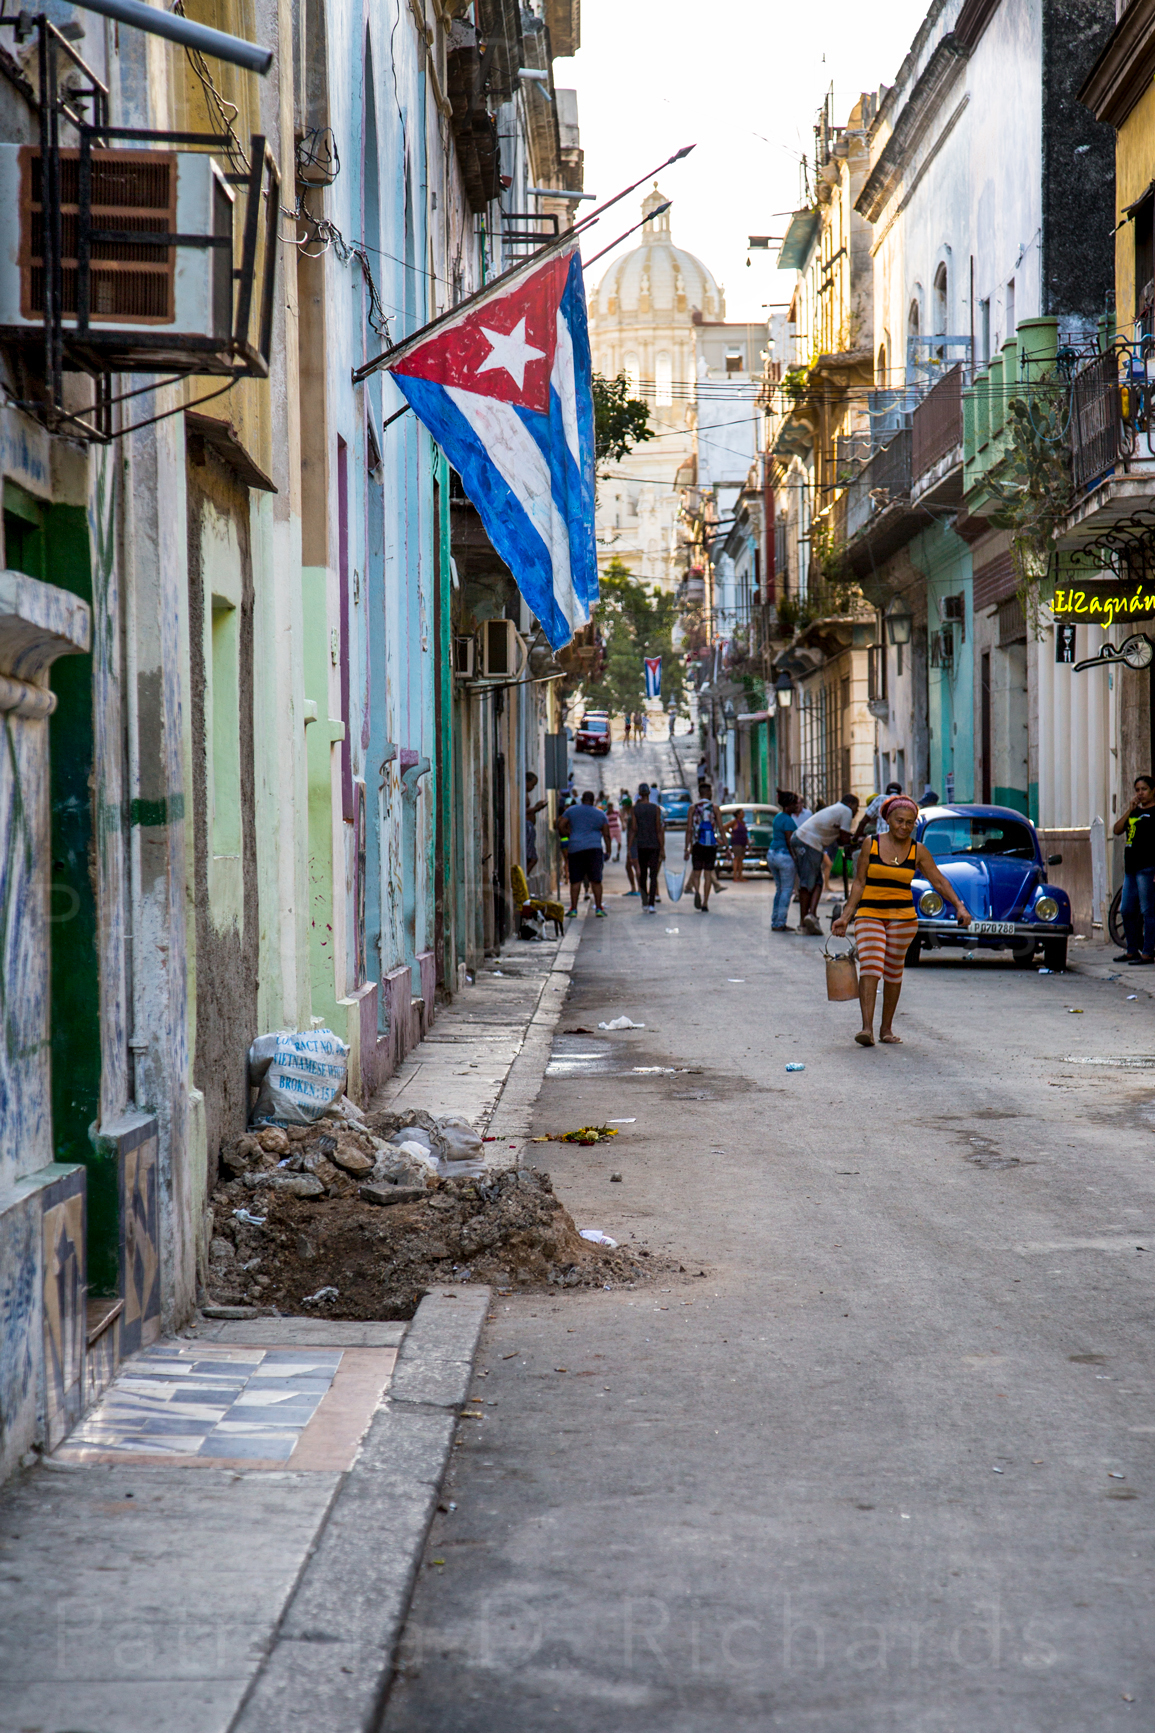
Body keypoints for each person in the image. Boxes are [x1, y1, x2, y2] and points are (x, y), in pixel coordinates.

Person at [833, 794, 972, 1046]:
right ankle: (867, 1028)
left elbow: (938, 881)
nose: (904, 827)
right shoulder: (870, 844)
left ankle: (886, 1029)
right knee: (871, 965)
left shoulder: (918, 850)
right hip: (869, 915)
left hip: (903, 919)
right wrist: (845, 916)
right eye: (899, 821)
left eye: (910, 823)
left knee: (893, 972)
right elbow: (860, 883)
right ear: (888, 820)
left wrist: (960, 907)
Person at [790, 795, 859, 934]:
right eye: (857, 807)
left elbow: (840, 838)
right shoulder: (846, 811)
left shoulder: (836, 809)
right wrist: (856, 840)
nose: (857, 811)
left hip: (803, 839)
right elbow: (844, 839)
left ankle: (810, 917)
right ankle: (805, 921)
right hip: (809, 841)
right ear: (851, 804)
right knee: (808, 882)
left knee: (816, 881)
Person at [1113, 774, 1155, 963]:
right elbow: (1117, 829)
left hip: (1147, 868)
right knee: (1127, 909)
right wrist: (1129, 810)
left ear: (1152, 791)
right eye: (1137, 790)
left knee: (1148, 911)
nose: (1140, 793)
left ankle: (1147, 952)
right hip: (1131, 869)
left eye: (1144, 789)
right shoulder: (1135, 813)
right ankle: (1131, 949)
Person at [557, 790, 610, 918]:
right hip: (594, 849)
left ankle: (574, 909)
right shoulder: (600, 814)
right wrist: (608, 850)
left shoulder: (571, 811)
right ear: (593, 801)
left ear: (582, 799)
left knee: (575, 880)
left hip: (575, 848)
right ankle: (598, 908)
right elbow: (606, 834)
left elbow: (560, 825)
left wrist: (569, 834)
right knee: (596, 880)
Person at [685, 782, 728, 912]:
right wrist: (727, 846)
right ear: (709, 793)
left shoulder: (692, 808)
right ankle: (705, 902)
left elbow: (689, 829)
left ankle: (697, 891)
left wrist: (686, 848)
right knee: (708, 874)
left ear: (699, 794)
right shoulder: (714, 808)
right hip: (711, 845)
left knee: (697, 872)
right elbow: (720, 828)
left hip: (697, 844)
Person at [628, 782, 665, 912]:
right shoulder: (656, 809)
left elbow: (634, 828)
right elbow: (658, 829)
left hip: (641, 845)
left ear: (639, 794)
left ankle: (644, 901)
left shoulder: (635, 809)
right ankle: (651, 904)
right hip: (654, 845)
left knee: (643, 874)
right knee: (653, 875)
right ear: (649, 794)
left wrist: (629, 847)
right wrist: (662, 848)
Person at [769, 791, 800, 930]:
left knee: (779, 890)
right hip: (784, 856)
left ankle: (775, 920)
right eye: (795, 804)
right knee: (787, 890)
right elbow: (789, 841)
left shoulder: (778, 817)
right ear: (788, 805)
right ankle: (780, 922)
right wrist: (795, 858)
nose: (797, 806)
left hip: (772, 853)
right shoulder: (788, 820)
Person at [525, 772, 549, 876]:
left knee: (531, 857)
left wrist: (536, 807)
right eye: (532, 784)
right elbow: (522, 811)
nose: (533, 788)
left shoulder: (525, 793)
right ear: (526, 781)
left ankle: (525, 876)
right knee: (532, 858)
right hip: (527, 827)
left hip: (529, 826)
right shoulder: (522, 793)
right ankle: (525, 877)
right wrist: (536, 808)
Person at [729, 809, 749, 881]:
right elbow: (725, 827)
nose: (743, 815)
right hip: (736, 842)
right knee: (736, 858)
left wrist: (748, 844)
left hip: (743, 842)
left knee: (741, 859)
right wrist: (732, 834)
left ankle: (740, 876)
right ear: (738, 815)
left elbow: (745, 834)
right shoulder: (734, 822)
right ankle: (735, 876)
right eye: (742, 813)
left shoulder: (743, 823)